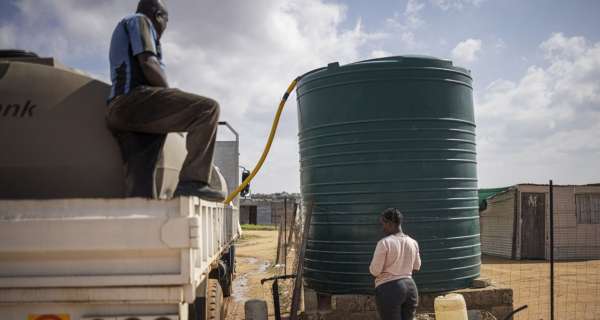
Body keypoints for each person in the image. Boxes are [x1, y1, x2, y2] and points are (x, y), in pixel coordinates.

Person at [106, 0, 225, 201]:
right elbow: (148, 63)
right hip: (133, 101)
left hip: (120, 113)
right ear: (158, 15)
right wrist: (172, 99)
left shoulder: (123, 28)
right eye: (165, 21)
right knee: (207, 109)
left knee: (141, 178)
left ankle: (140, 217)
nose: (164, 28)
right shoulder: (140, 21)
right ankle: (193, 182)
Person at [369, 208, 421, 320]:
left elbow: (375, 271)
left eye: (383, 224)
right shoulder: (413, 242)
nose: (382, 228)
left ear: (391, 223)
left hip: (389, 290)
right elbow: (416, 267)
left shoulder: (384, 243)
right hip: (410, 288)